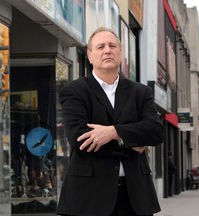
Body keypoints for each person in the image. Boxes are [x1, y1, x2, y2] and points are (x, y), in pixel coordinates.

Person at [57, 27, 165, 216]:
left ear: (120, 53)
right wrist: (132, 142)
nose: (107, 50)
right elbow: (79, 138)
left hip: (135, 198)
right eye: (100, 47)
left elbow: (156, 131)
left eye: (112, 45)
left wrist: (114, 132)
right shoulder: (74, 91)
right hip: (88, 198)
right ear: (90, 56)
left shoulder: (140, 92)